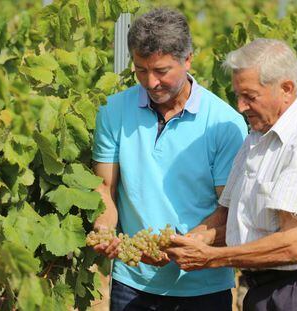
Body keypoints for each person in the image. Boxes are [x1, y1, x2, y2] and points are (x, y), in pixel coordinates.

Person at [166, 38, 297, 311]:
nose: (240, 106)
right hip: (271, 286)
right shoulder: (257, 138)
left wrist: (212, 258)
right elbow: (229, 217)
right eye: (238, 95)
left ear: (286, 89)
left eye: (250, 96)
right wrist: (186, 243)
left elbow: (293, 245)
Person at [91, 7, 247, 311]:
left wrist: (179, 247)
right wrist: (104, 229)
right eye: (140, 70)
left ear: (187, 59)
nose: (150, 83)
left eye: (161, 71)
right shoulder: (112, 111)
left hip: (204, 287)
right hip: (132, 283)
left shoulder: (223, 124)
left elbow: (229, 211)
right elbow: (104, 189)